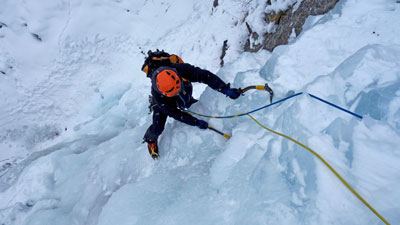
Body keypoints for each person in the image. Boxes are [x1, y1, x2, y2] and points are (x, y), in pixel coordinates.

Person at [141, 50, 242, 159]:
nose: (177, 91)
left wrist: (225, 89)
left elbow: (205, 76)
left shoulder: (181, 69)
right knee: (158, 126)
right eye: (175, 92)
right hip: (164, 102)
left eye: (178, 88)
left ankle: (183, 96)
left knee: (188, 102)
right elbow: (174, 113)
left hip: (185, 89)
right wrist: (195, 122)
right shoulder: (158, 95)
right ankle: (150, 140)